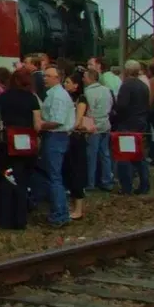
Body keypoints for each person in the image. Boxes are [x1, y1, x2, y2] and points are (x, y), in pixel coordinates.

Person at [0, 64, 40, 231]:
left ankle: (4, 219)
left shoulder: (3, 98)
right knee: (22, 181)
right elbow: (37, 125)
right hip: (26, 145)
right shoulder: (32, 98)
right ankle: (20, 220)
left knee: (6, 180)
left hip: (6, 143)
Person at [37, 64, 74, 228]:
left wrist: (40, 125)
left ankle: (60, 214)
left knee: (54, 176)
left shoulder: (58, 96)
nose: (44, 78)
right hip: (56, 137)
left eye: (47, 76)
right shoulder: (54, 94)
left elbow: (57, 121)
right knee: (53, 175)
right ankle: (59, 211)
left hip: (55, 137)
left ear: (57, 78)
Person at [111, 59, 152, 196]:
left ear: (127, 71)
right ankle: (145, 184)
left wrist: (114, 108)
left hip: (127, 124)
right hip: (141, 123)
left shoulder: (126, 85)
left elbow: (122, 106)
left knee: (125, 157)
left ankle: (126, 187)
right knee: (139, 156)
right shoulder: (143, 85)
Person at [63, 66, 91, 220]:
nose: (65, 85)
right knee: (68, 171)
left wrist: (68, 126)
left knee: (77, 172)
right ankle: (72, 205)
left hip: (76, 139)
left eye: (68, 82)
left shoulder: (81, 99)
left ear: (76, 85)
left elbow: (77, 120)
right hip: (68, 137)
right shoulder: (65, 98)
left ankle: (78, 208)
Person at [82, 62, 114, 192]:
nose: (83, 79)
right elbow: (111, 105)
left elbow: (88, 110)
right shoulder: (107, 90)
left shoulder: (88, 93)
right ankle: (107, 180)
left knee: (91, 155)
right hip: (105, 124)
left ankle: (90, 182)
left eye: (84, 77)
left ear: (90, 78)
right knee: (105, 154)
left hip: (93, 126)